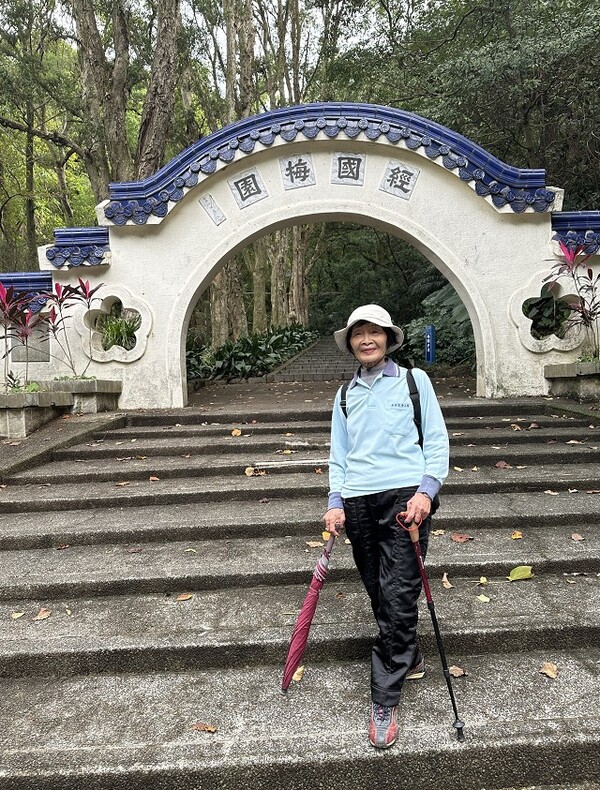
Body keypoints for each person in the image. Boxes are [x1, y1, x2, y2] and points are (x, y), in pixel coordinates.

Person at [323, 304, 449, 749]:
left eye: (374, 332)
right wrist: (335, 501)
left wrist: (425, 492)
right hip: (358, 499)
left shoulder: (415, 382)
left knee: (398, 591)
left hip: (405, 499)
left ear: (389, 339)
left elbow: (436, 440)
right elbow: (338, 455)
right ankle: (408, 654)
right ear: (350, 343)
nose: (366, 340)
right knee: (379, 587)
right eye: (358, 333)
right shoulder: (345, 395)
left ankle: (384, 697)